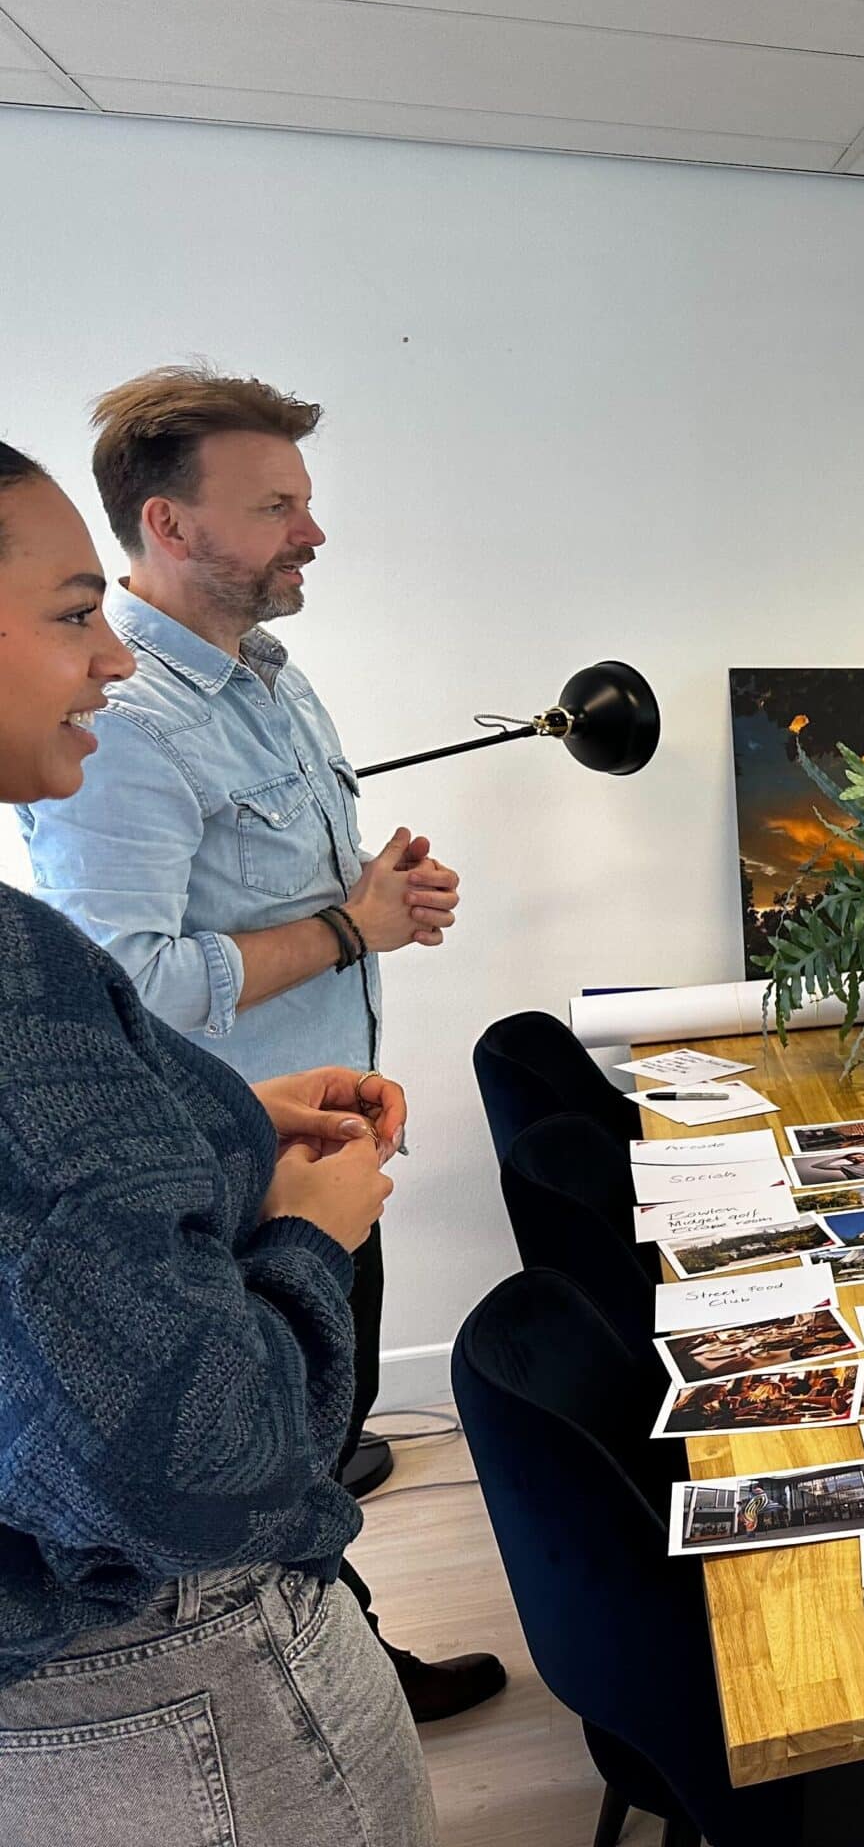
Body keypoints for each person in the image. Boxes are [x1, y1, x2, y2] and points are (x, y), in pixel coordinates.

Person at [13, 368, 500, 1721]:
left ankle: (350, 1631)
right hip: (225, 1177)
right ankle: (346, 1684)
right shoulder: (126, 728)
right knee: (278, 1453)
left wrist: (377, 897)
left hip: (312, 1133)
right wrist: (349, 930)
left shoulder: (268, 679)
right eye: (277, 505)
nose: (312, 532)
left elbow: (277, 903)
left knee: (329, 1418)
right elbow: (131, 985)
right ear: (169, 525)